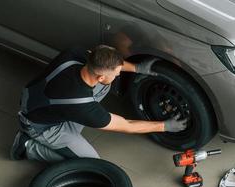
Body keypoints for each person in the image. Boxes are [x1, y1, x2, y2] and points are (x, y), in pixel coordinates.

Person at [10, 45, 187, 162]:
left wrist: (137, 68)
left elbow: (109, 63)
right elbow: (127, 125)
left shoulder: (73, 55)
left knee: (104, 87)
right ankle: (26, 147)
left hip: (39, 101)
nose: (119, 74)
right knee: (91, 162)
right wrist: (164, 126)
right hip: (42, 126)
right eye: (117, 73)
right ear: (100, 76)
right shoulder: (81, 105)